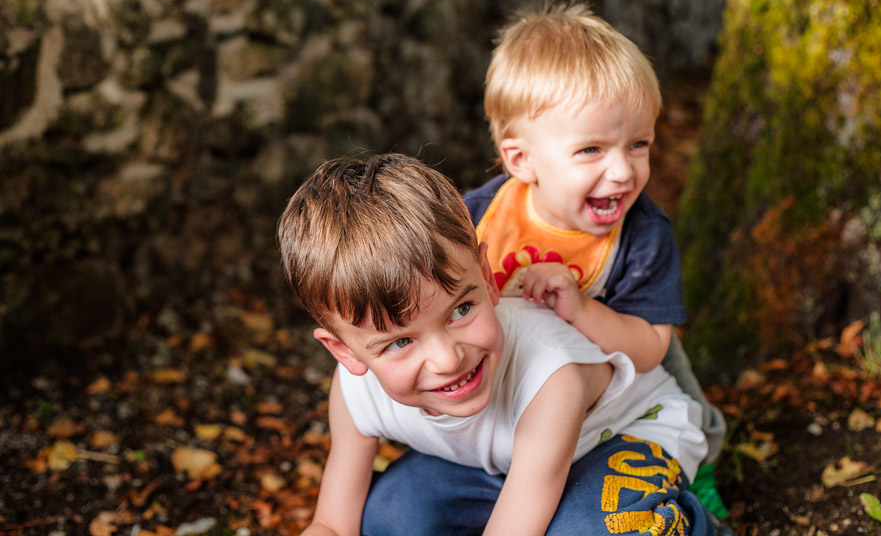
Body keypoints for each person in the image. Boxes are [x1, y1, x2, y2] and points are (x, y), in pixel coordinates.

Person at [278, 153, 714, 536]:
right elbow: (334, 523)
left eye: (461, 311)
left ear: (487, 280)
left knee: (589, 530)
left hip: (623, 436)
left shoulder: (549, 376)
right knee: (392, 520)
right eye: (401, 342)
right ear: (346, 352)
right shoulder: (355, 394)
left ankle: (694, 523)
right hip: (506, 466)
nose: (449, 358)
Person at [464, 0, 729, 517]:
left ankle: (700, 469)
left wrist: (582, 309)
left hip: (626, 366)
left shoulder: (642, 234)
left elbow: (650, 348)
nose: (624, 172)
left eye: (638, 145)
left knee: (682, 390)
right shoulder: (479, 215)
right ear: (522, 159)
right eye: (591, 150)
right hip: (526, 374)